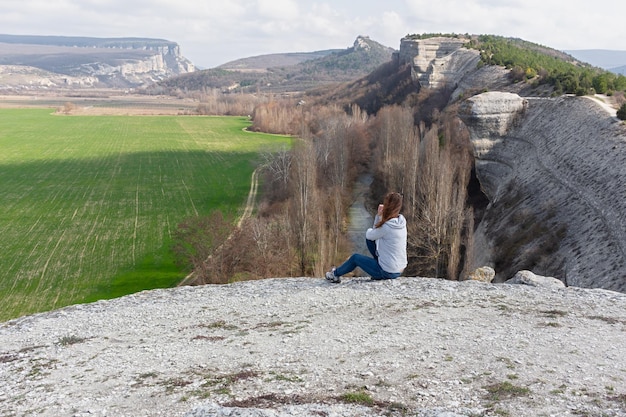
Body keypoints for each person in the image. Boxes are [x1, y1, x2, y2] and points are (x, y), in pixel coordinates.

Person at [326, 191, 407, 283]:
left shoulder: (387, 227)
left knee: (355, 258)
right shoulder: (401, 223)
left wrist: (379, 216)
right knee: (373, 240)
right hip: (399, 269)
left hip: (387, 272)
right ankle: (378, 265)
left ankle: (335, 275)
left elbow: (370, 234)